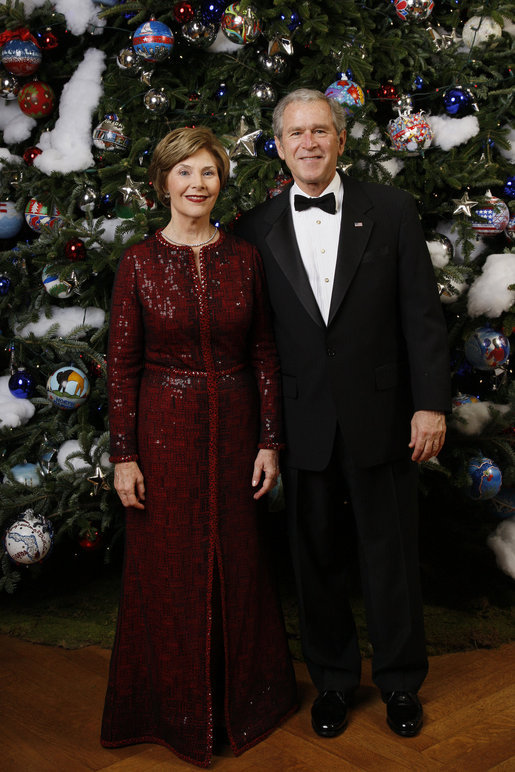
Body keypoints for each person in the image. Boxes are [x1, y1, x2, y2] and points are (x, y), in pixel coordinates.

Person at [235, 89, 451, 739]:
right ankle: (331, 682)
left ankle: (399, 683)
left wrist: (428, 405)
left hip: (383, 415)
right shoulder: (254, 226)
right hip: (302, 423)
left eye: (320, 131)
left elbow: (421, 316)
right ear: (279, 146)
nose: (308, 142)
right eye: (295, 133)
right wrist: (265, 432)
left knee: (389, 558)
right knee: (315, 560)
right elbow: (257, 342)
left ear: (340, 140)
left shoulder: (389, 210)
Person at [101, 126, 297, 768]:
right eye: (184, 173)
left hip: (238, 427)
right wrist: (124, 453)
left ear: (221, 183)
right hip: (163, 430)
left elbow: (265, 352)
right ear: (164, 184)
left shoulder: (244, 258)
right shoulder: (138, 261)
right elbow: (122, 363)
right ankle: (169, 712)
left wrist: (270, 440)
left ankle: (250, 704)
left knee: (239, 562)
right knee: (167, 565)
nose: (197, 184)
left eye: (208, 173)